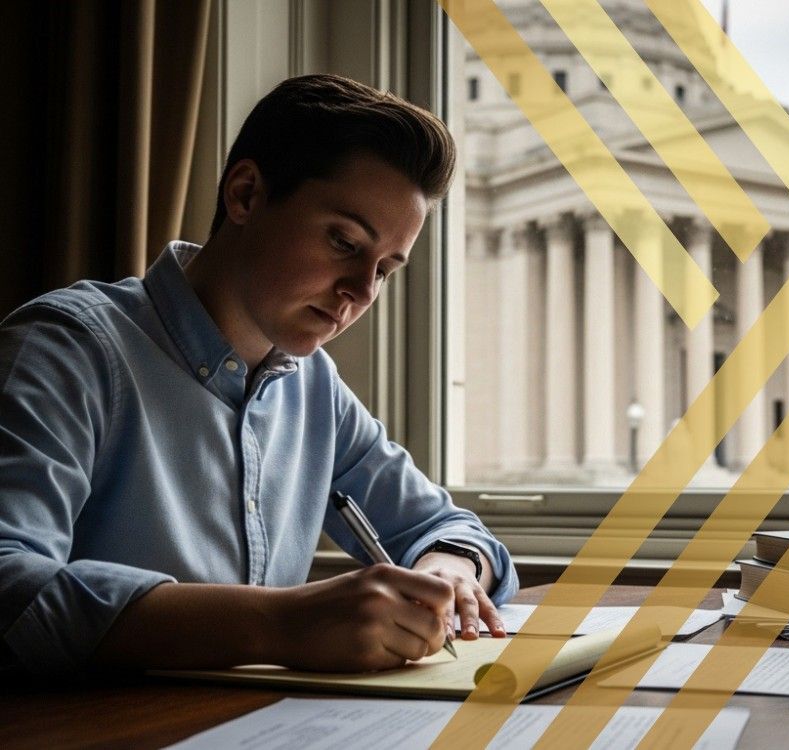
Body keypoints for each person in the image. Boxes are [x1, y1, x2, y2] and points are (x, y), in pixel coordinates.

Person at [0, 74, 517, 678]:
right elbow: (9, 583)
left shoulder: (313, 387)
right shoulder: (66, 352)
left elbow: (445, 526)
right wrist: (277, 624)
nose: (359, 291)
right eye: (344, 241)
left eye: (385, 270)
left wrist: (449, 571)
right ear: (245, 195)